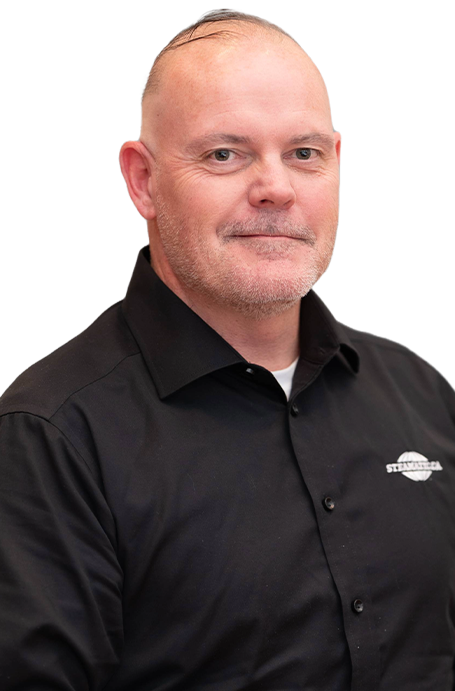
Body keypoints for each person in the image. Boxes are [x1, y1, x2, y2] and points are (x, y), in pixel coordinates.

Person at [0, 8, 454, 690]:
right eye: (224, 154)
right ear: (142, 181)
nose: (276, 188)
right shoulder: (52, 436)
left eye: (304, 154)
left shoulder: (424, 396)